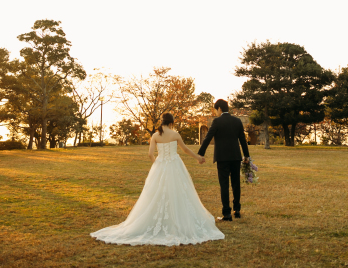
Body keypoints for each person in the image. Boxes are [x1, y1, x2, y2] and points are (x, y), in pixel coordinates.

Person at [90, 113, 224, 246]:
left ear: (161, 122)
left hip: (160, 165)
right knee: (178, 191)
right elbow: (185, 150)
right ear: (171, 122)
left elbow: (150, 154)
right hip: (174, 165)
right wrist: (198, 158)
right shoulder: (175, 134)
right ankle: (175, 220)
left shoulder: (155, 135)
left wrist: (157, 164)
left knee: (156, 193)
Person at [197, 99, 250, 221]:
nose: (215, 113)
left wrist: (201, 153)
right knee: (236, 183)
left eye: (216, 110)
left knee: (224, 185)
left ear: (219, 109)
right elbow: (242, 140)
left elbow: (208, 137)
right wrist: (246, 156)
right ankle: (237, 210)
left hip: (222, 158)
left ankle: (227, 213)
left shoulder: (217, 121)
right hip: (236, 157)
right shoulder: (237, 121)